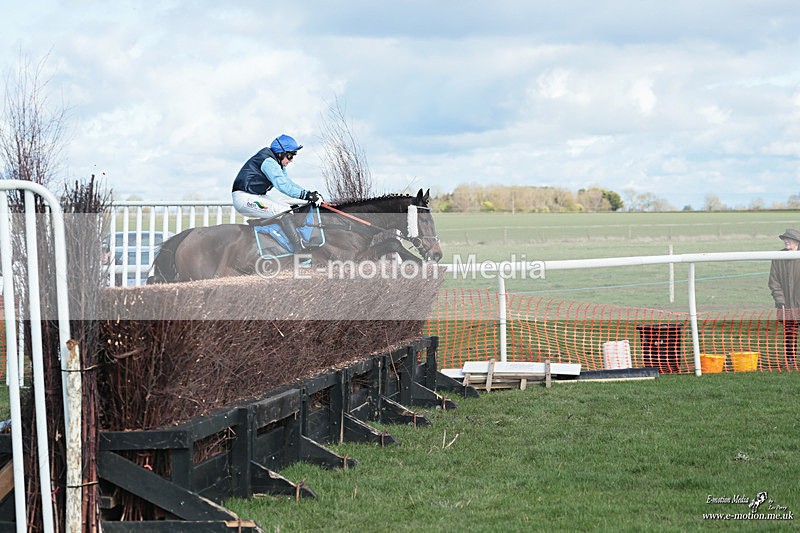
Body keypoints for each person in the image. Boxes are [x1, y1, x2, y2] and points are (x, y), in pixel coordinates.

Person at [232, 134, 322, 250]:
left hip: (254, 196)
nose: (291, 160)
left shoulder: (276, 163)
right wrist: (307, 195)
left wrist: (309, 193)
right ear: (280, 153)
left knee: (289, 209)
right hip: (244, 198)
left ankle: (264, 228)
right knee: (283, 212)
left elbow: (289, 183)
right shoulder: (269, 162)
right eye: (289, 156)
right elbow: (284, 186)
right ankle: (299, 247)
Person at [768, 228, 800, 367]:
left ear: (797, 241)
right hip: (786, 304)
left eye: (789, 239)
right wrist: (779, 300)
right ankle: (790, 359)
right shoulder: (778, 257)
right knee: (789, 333)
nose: (786, 241)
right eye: (784, 239)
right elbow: (773, 281)